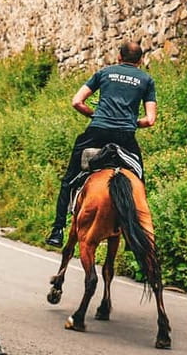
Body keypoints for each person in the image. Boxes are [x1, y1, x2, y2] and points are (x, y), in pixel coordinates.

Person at [45, 41, 157, 247]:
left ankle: (58, 229)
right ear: (141, 60)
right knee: (139, 181)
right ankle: (136, 233)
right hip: (125, 137)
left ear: (119, 57)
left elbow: (76, 101)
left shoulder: (104, 73)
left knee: (69, 180)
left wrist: (95, 114)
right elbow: (150, 120)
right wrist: (131, 123)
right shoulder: (146, 79)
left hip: (97, 132)